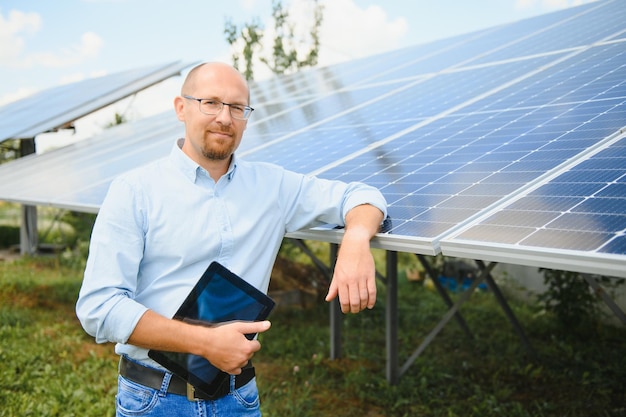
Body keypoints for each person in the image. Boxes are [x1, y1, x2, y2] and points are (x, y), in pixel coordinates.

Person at [76, 62, 387, 417]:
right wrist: (204, 342)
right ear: (181, 108)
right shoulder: (134, 191)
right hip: (153, 400)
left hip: (238, 399)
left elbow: (363, 195)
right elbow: (99, 308)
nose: (225, 117)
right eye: (211, 102)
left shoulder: (273, 186)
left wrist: (355, 241)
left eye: (238, 107)